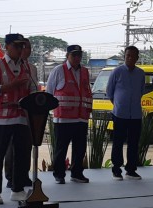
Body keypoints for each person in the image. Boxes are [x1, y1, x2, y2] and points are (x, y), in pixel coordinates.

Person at [0, 33, 32, 205]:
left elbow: (31, 89)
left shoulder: (26, 66)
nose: (20, 50)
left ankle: (17, 189)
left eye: (22, 46)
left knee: (20, 156)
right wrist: (9, 87)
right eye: (17, 46)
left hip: (21, 118)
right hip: (2, 119)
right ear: (7, 46)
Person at [46, 45, 92, 184]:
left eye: (79, 55)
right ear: (67, 56)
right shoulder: (58, 70)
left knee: (80, 148)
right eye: (74, 55)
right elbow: (49, 92)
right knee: (61, 148)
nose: (77, 58)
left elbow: (86, 92)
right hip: (63, 119)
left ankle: (77, 173)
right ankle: (59, 174)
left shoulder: (85, 71)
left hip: (81, 118)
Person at [106, 45, 145, 181]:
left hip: (135, 114)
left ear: (137, 58)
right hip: (120, 114)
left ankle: (131, 170)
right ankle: (116, 169)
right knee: (118, 142)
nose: (130, 58)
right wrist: (119, 104)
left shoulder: (141, 73)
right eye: (128, 55)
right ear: (124, 56)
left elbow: (141, 91)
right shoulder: (117, 71)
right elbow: (109, 92)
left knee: (133, 143)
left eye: (133, 56)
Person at [4, 38, 37, 189]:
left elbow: (34, 88)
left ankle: (24, 175)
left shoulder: (32, 68)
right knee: (12, 147)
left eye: (29, 48)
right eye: (24, 47)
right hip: (11, 113)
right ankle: (11, 177)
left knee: (26, 146)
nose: (27, 50)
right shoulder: (7, 66)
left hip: (29, 113)